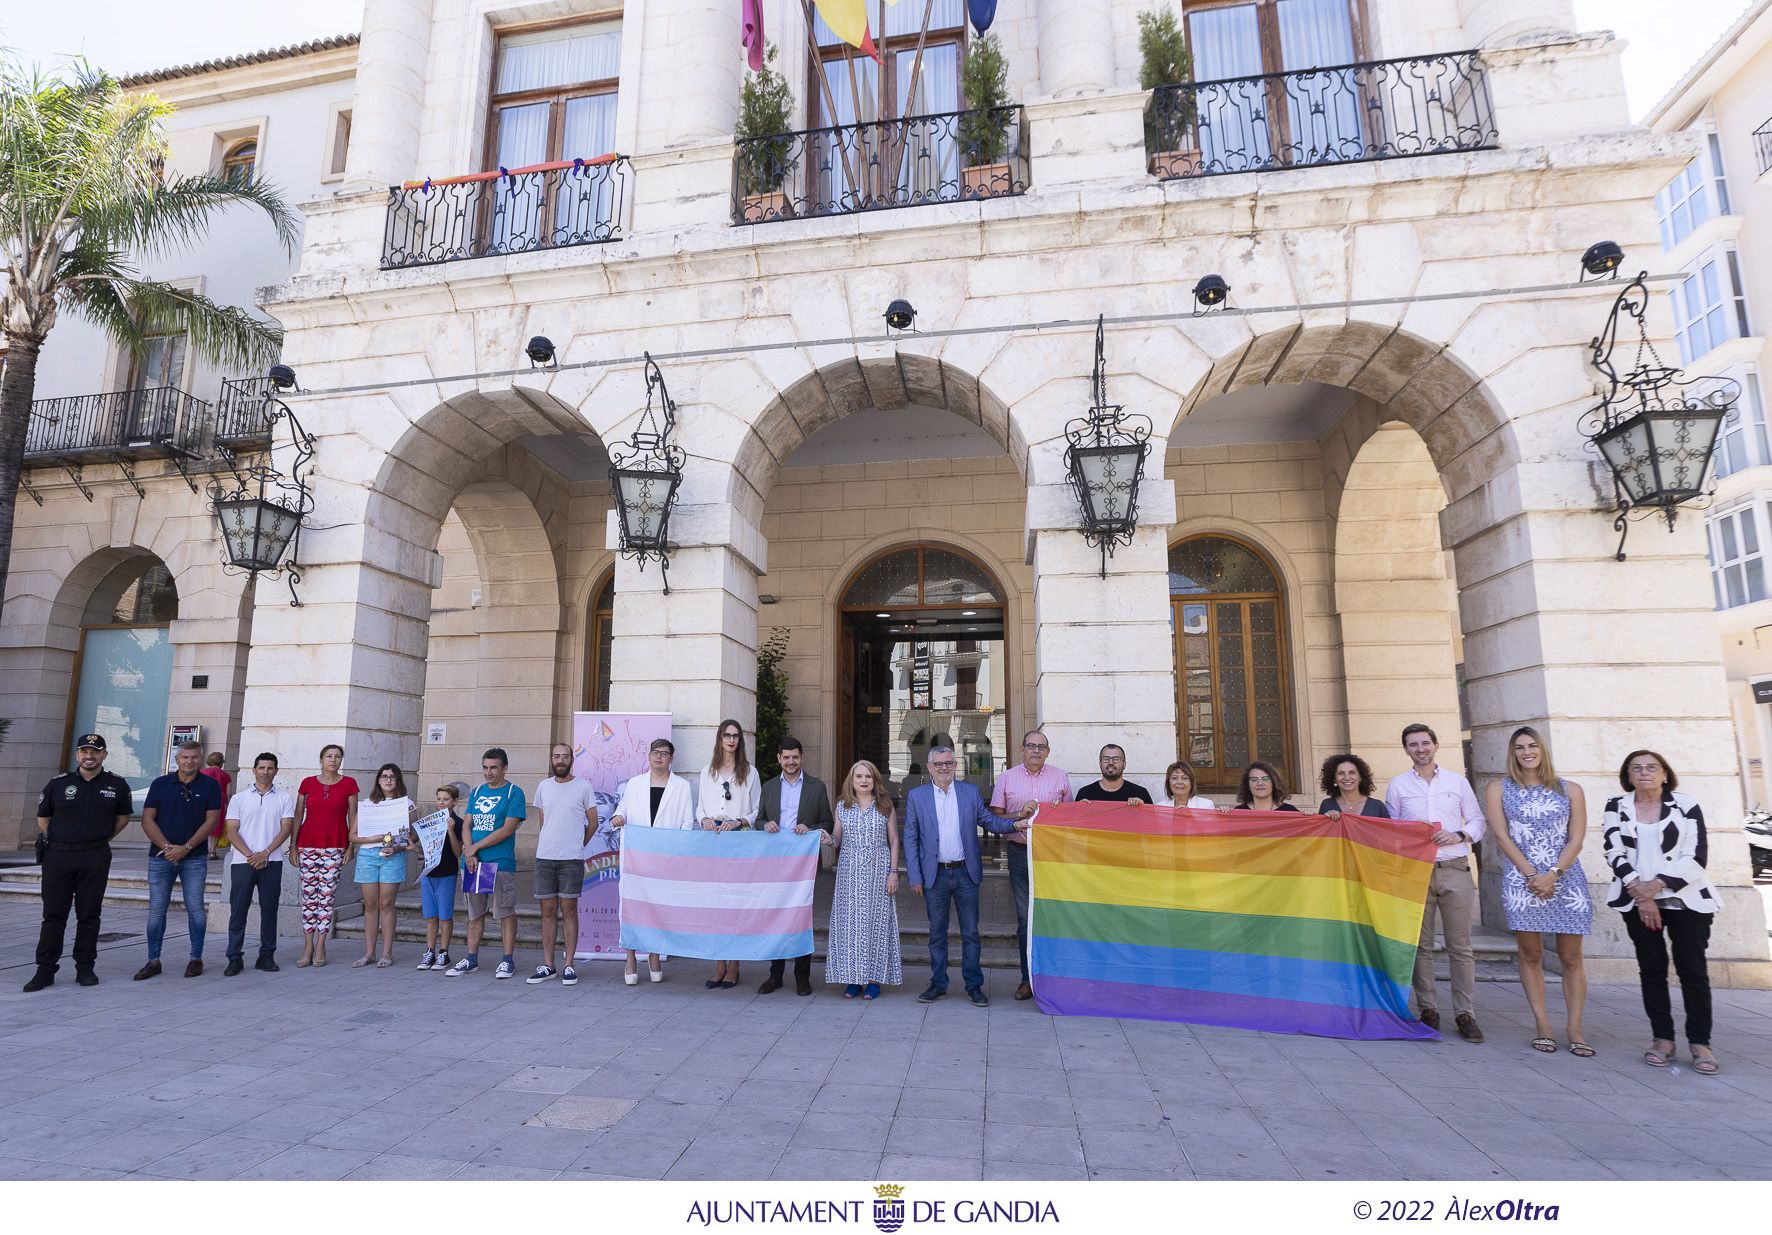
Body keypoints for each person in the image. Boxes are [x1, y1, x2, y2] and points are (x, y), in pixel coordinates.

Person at [1603, 749, 1721, 1074]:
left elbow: (1696, 856)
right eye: (1636, 768)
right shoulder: (1617, 806)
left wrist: (1655, 887)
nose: (1644, 773)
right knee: (1652, 968)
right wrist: (1642, 895)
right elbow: (1613, 851)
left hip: (1685, 898)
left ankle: (1700, 1042)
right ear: (1628, 776)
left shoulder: (1685, 805)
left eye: (1651, 768)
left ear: (1665, 774)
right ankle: (1662, 1039)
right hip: (1636, 897)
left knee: (1692, 969)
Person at [1483, 727, 1592, 1056]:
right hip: (1522, 880)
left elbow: (1577, 838)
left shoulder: (1570, 789)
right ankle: (1543, 1025)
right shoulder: (1498, 788)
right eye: (1519, 747)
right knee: (1530, 955)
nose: (1526, 752)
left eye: (1532, 746)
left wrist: (1554, 873)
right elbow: (1501, 836)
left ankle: (1574, 1028)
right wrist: (1532, 875)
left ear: (1542, 749)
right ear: (1512, 753)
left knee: (1571, 958)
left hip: (1566, 879)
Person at [902, 743, 1029, 1007]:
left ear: (955, 765)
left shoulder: (969, 792)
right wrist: (915, 876)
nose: (944, 768)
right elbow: (910, 837)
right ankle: (938, 984)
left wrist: (1014, 824)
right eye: (938, 764)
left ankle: (974, 986)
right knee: (937, 933)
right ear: (929, 767)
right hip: (934, 876)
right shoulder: (917, 796)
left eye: (948, 763)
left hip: (965, 875)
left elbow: (989, 821)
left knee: (971, 932)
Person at [1384, 723, 1487, 1043]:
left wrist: (1459, 834)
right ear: (1406, 750)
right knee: (1421, 947)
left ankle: (1465, 1013)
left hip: (1454, 867)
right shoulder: (1398, 786)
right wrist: (1413, 830)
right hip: (1417, 871)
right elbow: (1391, 829)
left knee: (1460, 946)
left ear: (1436, 745)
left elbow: (1477, 821)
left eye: (1425, 743)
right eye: (1413, 745)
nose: (1420, 749)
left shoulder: (1457, 782)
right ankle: (1428, 1009)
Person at [24, 734, 133, 992]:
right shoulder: (58, 784)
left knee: (89, 915)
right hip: (59, 857)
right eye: (84, 751)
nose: (89, 756)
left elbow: (122, 818)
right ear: (77, 755)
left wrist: (97, 839)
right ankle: (45, 970)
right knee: (53, 916)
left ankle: (85, 967)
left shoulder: (116, 785)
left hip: (94, 856)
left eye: (95, 751)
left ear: (104, 755)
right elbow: (44, 820)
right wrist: (65, 841)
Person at [990, 729, 1070, 1001]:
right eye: (1031, 746)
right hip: (1019, 853)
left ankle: (1052, 978)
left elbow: (1070, 819)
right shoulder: (1007, 778)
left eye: (1041, 747)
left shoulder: (1059, 777)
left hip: (1051, 857)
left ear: (1048, 751)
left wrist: (1060, 811)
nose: (1036, 750)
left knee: (1052, 917)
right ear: (1022, 749)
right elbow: (995, 819)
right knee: (1026, 919)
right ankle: (1027, 980)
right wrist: (1020, 814)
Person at [609, 737, 696, 984]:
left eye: (664, 753)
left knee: (658, 907)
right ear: (648, 756)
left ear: (671, 758)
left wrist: (678, 853)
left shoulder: (681, 786)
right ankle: (630, 956)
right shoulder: (634, 784)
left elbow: (687, 823)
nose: (659, 757)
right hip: (637, 858)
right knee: (633, 907)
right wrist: (617, 818)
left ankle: (655, 955)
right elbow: (623, 809)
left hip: (665, 860)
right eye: (655, 753)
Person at [135, 739, 222, 980]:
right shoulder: (160, 784)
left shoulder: (210, 786)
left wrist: (186, 847)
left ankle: (196, 958)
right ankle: (153, 960)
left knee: (195, 908)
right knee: (156, 911)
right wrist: (166, 847)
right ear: (177, 759)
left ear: (201, 759)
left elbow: (211, 821)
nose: (189, 761)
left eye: (194, 757)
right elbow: (147, 819)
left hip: (193, 858)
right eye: (185, 757)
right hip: (161, 857)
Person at [757, 737, 836, 995]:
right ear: (779, 759)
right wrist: (765, 824)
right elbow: (758, 820)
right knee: (776, 918)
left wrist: (810, 827)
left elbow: (826, 821)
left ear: (802, 758)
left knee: (801, 919)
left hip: (803, 865)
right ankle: (775, 975)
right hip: (775, 864)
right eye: (786, 757)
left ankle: (802, 977)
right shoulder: (768, 787)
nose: (791, 762)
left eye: (795, 757)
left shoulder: (816, 787)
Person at [448, 748, 527, 979]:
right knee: (475, 913)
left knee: (504, 912)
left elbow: (508, 828)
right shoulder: (478, 791)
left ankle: (507, 960)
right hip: (474, 863)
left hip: (499, 862)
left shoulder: (514, 792)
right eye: (485, 767)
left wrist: (475, 848)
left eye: (493, 767)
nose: (488, 772)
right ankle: (471, 958)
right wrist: (470, 853)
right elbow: (466, 825)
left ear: (504, 768)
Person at [826, 760, 902, 999]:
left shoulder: (885, 806)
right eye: (858, 776)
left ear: (874, 779)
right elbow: (837, 838)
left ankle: (873, 979)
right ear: (852, 780)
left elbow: (894, 841)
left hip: (879, 871)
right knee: (850, 926)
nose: (863, 780)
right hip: (849, 872)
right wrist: (828, 840)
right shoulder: (842, 806)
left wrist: (893, 872)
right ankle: (852, 979)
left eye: (868, 776)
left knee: (876, 925)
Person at [698, 719, 761, 989]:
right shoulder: (707, 772)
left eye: (736, 736)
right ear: (720, 739)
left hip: (738, 841)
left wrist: (741, 821)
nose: (731, 740)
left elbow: (756, 808)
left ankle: (734, 965)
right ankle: (718, 964)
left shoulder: (750, 772)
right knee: (716, 906)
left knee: (735, 905)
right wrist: (704, 821)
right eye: (727, 735)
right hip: (714, 841)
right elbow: (700, 807)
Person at [530, 741, 598, 986]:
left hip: (571, 859)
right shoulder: (543, 786)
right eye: (556, 756)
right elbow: (543, 820)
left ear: (571, 759)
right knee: (547, 912)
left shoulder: (583, 786)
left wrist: (578, 844)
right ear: (552, 759)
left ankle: (569, 964)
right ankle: (548, 965)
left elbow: (594, 822)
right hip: (545, 857)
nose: (560, 759)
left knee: (569, 911)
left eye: (565, 756)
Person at [222, 753, 296, 976]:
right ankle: (234, 957)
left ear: (276, 771)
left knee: (270, 910)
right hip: (242, 862)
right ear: (254, 770)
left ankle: (267, 956)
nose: (266, 771)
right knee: (238, 910)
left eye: (270, 768)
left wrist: (264, 853)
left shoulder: (284, 798)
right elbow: (231, 830)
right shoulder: (239, 798)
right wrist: (250, 855)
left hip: (271, 861)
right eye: (261, 767)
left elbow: (286, 829)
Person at [292, 744, 357, 968]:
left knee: (326, 898)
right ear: (321, 759)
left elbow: (353, 816)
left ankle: (321, 944)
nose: (333, 760)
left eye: (338, 757)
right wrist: (293, 846)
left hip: (336, 845)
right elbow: (298, 815)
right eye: (329, 756)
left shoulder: (349, 784)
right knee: (309, 896)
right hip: (307, 844)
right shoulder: (308, 783)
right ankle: (307, 944)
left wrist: (351, 846)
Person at [352, 763, 417, 969]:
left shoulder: (406, 804)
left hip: (392, 855)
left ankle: (386, 953)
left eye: (392, 777)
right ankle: (369, 953)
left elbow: (412, 834)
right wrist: (373, 837)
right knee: (370, 905)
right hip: (368, 855)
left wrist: (396, 847)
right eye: (384, 776)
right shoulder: (368, 803)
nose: (388, 780)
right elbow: (352, 835)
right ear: (378, 780)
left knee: (387, 904)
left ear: (398, 780)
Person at [417, 785, 464, 971]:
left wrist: (451, 831)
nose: (441, 803)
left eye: (445, 799)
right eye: (438, 799)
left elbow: (458, 852)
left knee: (445, 915)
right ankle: (430, 951)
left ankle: (444, 952)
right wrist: (414, 847)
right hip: (429, 872)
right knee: (430, 915)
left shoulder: (458, 823)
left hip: (447, 873)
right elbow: (426, 848)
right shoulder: (430, 821)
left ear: (454, 802)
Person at [1074, 744, 1153, 804]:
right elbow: (1073, 823)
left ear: (1124, 764)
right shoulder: (1085, 793)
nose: (1111, 762)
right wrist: (1079, 810)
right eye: (1106, 759)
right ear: (1100, 764)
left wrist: (1144, 808)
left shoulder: (1140, 793)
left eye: (1116, 759)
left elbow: (1152, 823)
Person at [1317, 754, 1390, 819]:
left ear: (1361, 777)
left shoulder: (1377, 806)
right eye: (1341, 773)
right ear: (1334, 779)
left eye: (1352, 773)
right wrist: (1325, 819)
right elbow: (1321, 832)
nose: (1347, 778)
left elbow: (1388, 832)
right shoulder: (1327, 805)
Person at [201, 751, 233, 856]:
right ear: (221, 762)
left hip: (203, 801)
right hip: (219, 801)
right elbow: (228, 793)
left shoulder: (201, 772)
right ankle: (212, 851)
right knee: (216, 825)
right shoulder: (226, 775)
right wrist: (228, 805)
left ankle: (201, 848)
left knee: (202, 823)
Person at [1234, 761, 1299, 811]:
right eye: (1254, 779)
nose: (1260, 783)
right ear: (1247, 785)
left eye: (1265, 779)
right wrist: (1224, 815)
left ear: (1274, 783)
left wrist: (1308, 816)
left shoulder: (1290, 811)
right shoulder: (1238, 812)